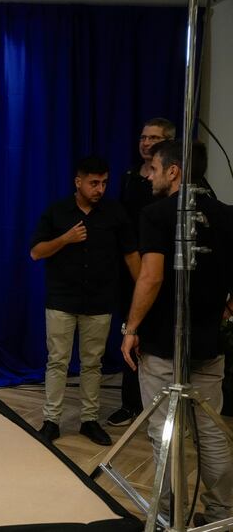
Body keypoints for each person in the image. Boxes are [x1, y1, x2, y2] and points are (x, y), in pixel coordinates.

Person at [121, 139, 232, 526]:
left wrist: (130, 328)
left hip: (165, 344)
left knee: (164, 432)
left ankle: (168, 514)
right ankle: (221, 514)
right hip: (208, 343)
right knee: (212, 433)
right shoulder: (227, 216)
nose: (146, 175)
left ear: (173, 171)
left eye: (152, 168)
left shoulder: (157, 214)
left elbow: (150, 277)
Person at [30, 156, 140, 446]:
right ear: (78, 182)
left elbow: (131, 255)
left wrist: (143, 290)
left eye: (104, 183)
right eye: (94, 183)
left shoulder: (115, 213)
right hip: (61, 300)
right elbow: (36, 252)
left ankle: (89, 421)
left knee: (93, 364)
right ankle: (51, 421)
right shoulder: (57, 212)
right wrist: (65, 238)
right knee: (58, 361)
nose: (99, 189)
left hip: (100, 302)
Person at [108, 117, 176, 428]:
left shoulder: (172, 182)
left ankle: (164, 408)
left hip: (163, 269)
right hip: (130, 268)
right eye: (143, 137)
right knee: (129, 330)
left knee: (156, 337)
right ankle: (130, 404)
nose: (146, 143)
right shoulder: (130, 177)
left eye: (154, 138)